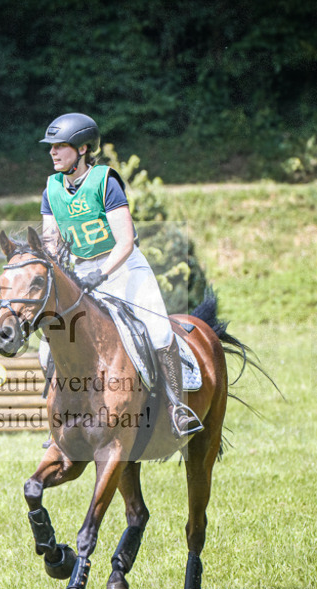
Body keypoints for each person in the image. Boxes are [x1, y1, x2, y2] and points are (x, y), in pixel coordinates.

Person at [38, 113, 202, 438]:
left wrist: (100, 274)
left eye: (60, 146)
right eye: (51, 147)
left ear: (83, 149)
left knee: (156, 330)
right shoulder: (52, 188)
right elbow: (50, 242)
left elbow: (125, 241)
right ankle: (65, 416)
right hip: (80, 271)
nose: (53, 153)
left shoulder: (105, 181)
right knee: (48, 348)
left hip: (123, 265)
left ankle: (176, 406)